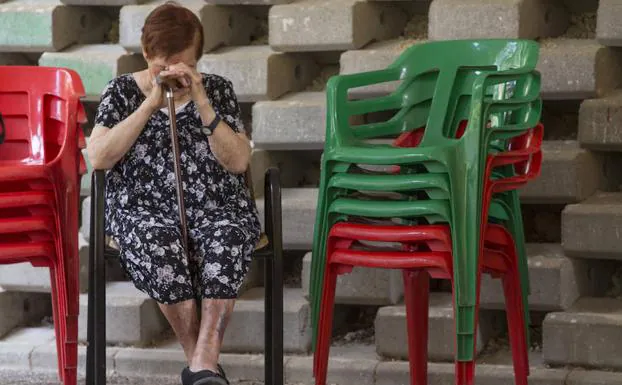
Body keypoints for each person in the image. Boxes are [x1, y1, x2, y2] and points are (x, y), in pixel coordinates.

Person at [86, 2, 261, 384]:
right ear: (147, 54)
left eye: (183, 64)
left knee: (229, 234)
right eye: (160, 64)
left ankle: (201, 366)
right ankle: (202, 366)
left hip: (216, 206)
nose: (170, 73)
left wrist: (201, 101)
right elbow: (98, 158)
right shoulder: (120, 92)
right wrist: (150, 103)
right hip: (142, 211)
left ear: (197, 60)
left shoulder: (217, 90)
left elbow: (238, 162)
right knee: (157, 240)